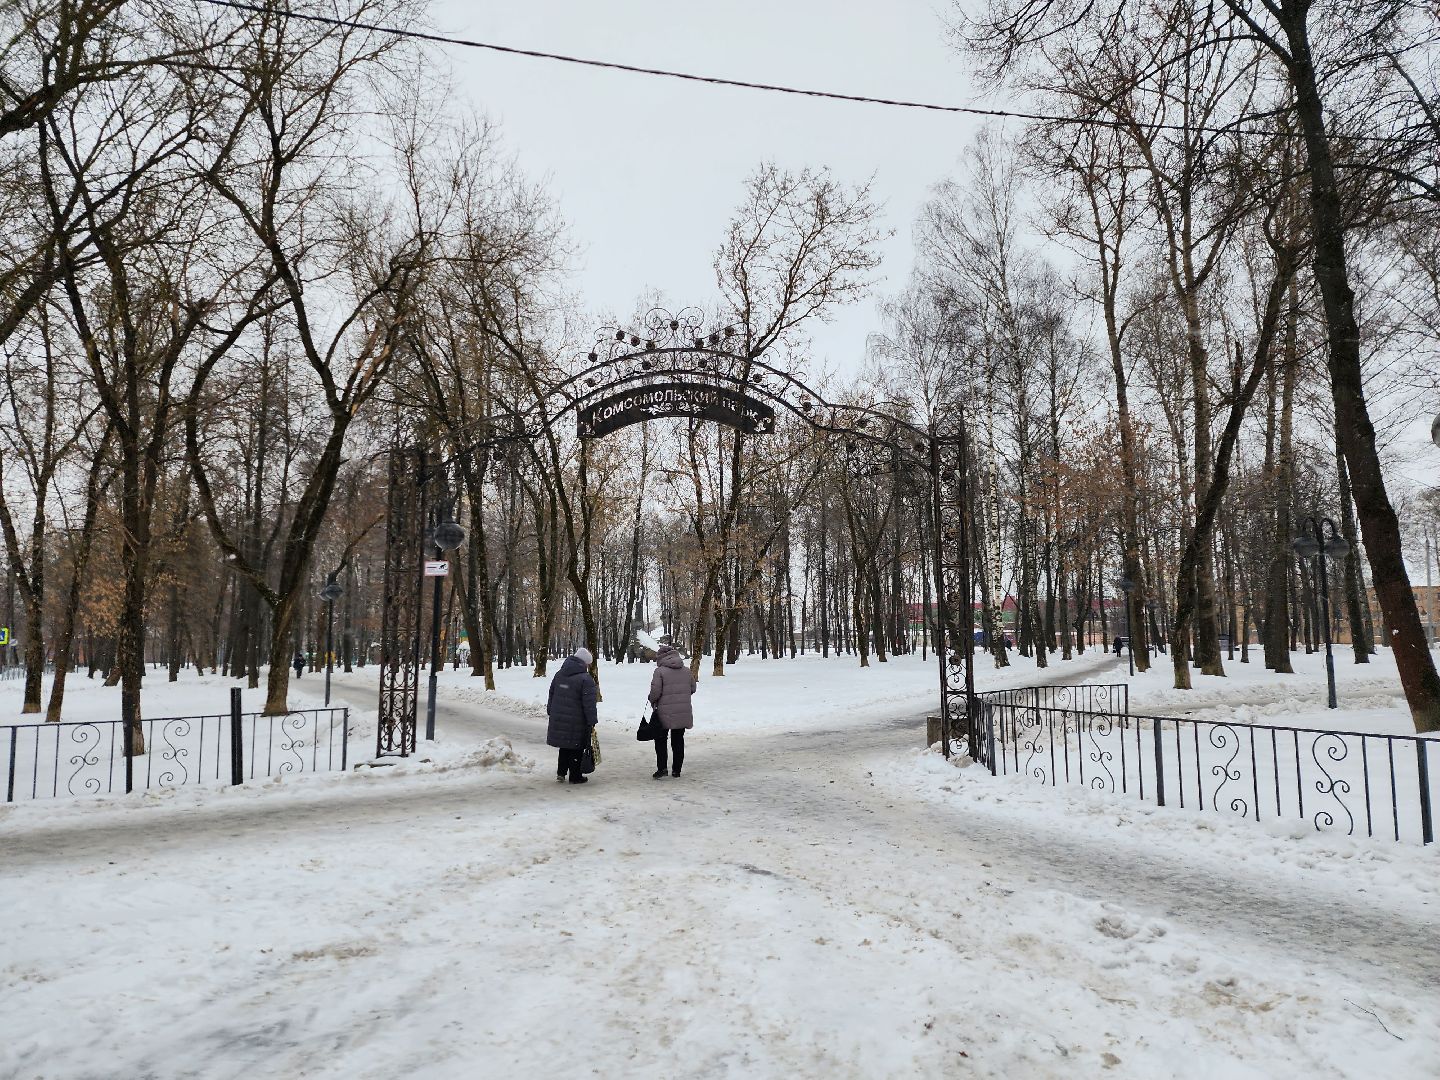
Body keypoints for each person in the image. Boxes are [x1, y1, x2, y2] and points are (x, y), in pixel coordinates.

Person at [547, 646, 597, 785]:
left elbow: (552, 694)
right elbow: (589, 704)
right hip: (577, 720)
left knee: (564, 746)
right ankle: (575, 776)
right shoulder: (585, 679)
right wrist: (591, 720)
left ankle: (561, 773)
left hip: (559, 717)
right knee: (576, 747)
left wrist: (551, 710)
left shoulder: (559, 674)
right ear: (584, 662)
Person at [648, 642, 695, 779]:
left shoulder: (660, 671)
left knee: (661, 739)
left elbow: (655, 692)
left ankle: (662, 769)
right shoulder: (686, 670)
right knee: (678, 740)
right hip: (683, 710)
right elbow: (692, 688)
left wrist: (652, 699)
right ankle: (677, 770)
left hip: (664, 711)